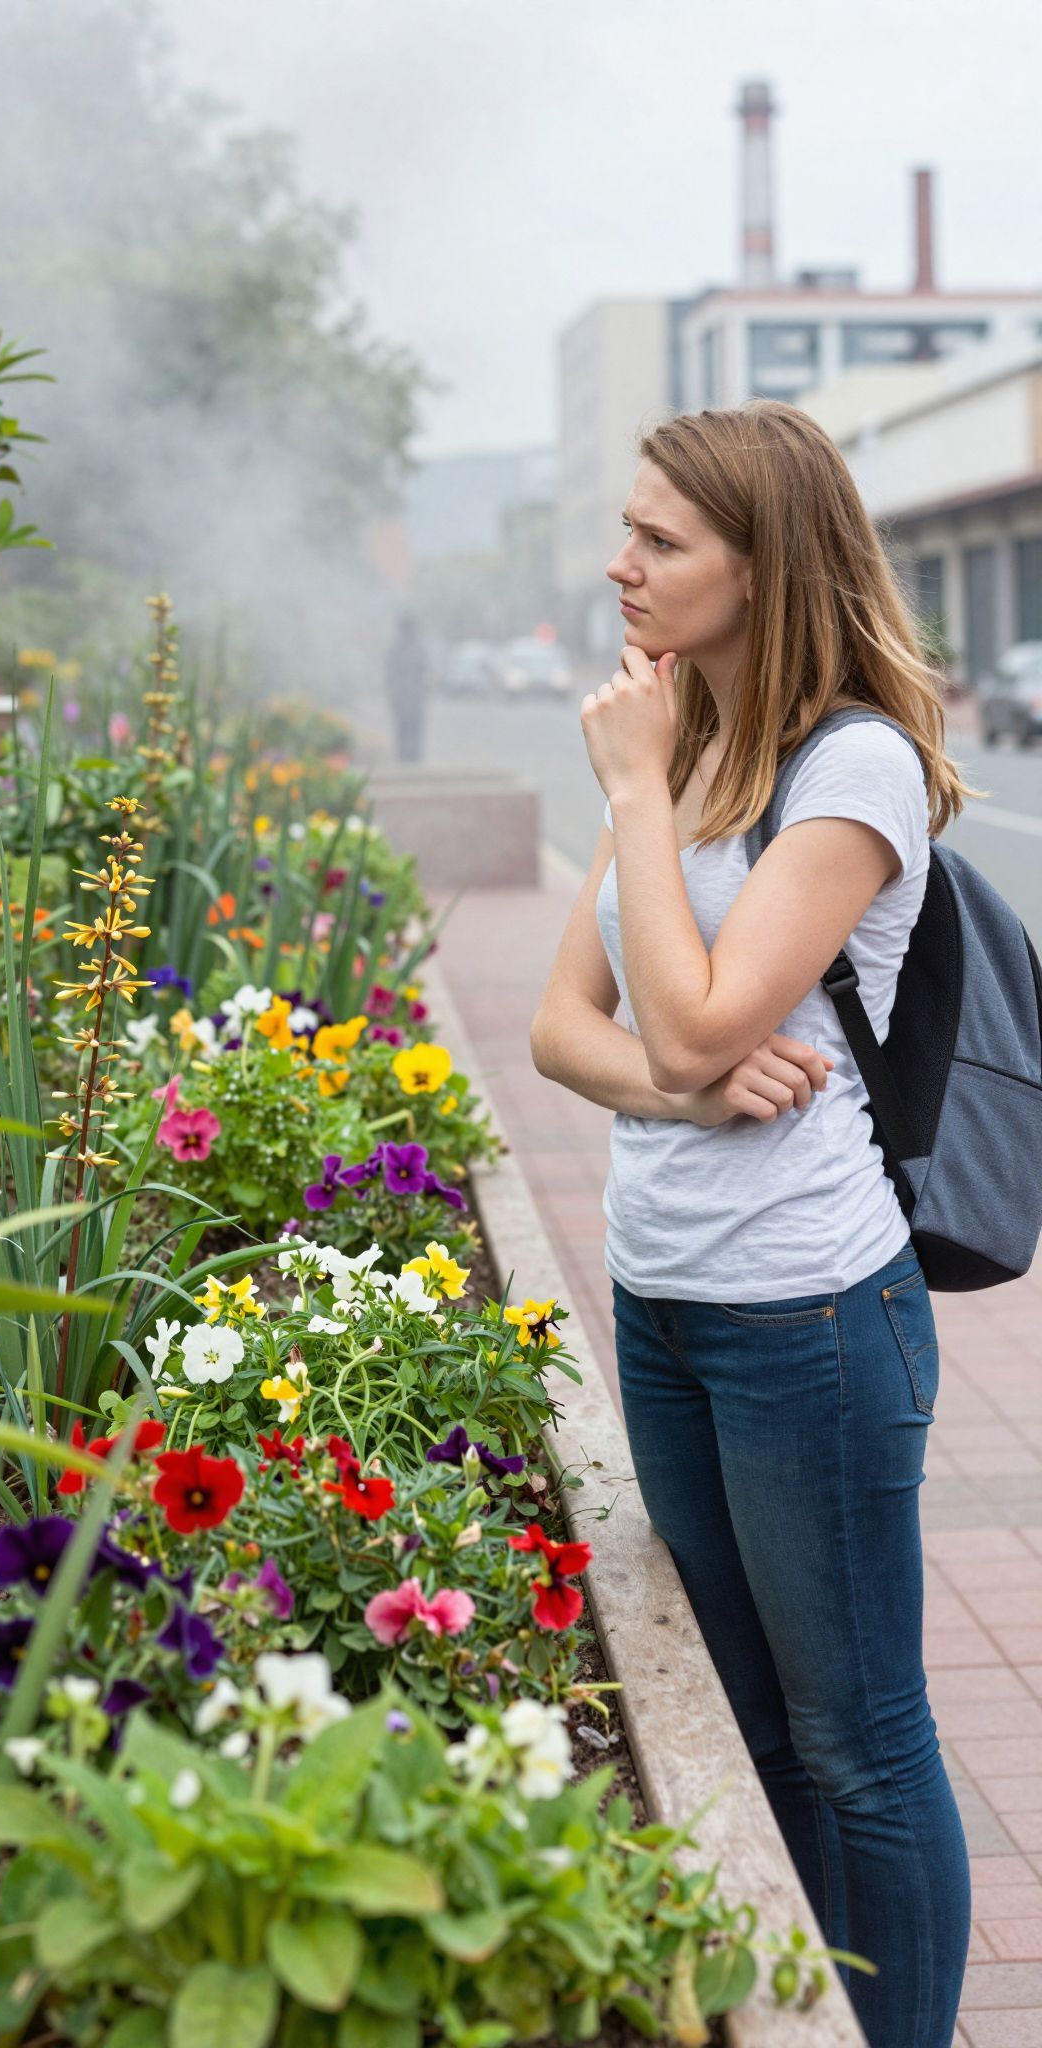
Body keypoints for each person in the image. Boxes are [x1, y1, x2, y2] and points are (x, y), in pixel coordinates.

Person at [530, 400, 980, 2048]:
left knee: (857, 1733)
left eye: (659, 538)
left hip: (806, 1313)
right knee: (754, 1724)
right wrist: (677, 1086)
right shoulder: (688, 737)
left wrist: (641, 806)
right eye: (625, 528)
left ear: (759, 560)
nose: (618, 562)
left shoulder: (845, 764)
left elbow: (699, 1018)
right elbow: (572, 1032)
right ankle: (805, 2017)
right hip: (662, 1300)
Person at [383, 611, 430, 763]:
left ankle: (415, 758)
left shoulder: (419, 649)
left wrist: (424, 691)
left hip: (415, 697)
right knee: (402, 729)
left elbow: (424, 673)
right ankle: (402, 758)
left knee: (415, 729)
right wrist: (393, 695)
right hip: (402, 697)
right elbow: (390, 676)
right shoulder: (395, 650)